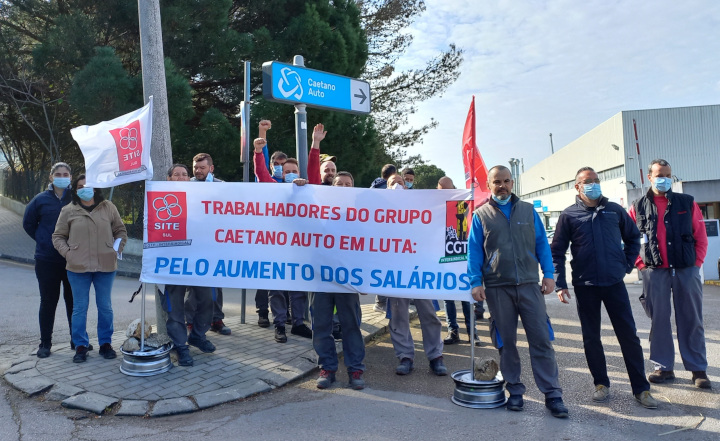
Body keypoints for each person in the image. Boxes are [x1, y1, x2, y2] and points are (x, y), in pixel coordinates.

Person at [552, 167, 658, 408]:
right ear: (577, 187)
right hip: (585, 284)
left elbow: (633, 239)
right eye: (587, 181)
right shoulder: (569, 216)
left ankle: (641, 389)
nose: (593, 184)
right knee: (592, 337)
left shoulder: (615, 210)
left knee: (628, 336)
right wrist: (560, 283)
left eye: (596, 180)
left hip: (613, 283)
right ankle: (601, 383)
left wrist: (626, 264)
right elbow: (556, 251)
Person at [467, 165, 568, 418]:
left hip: (528, 285)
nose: (502, 186)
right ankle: (515, 391)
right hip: (498, 287)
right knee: (506, 343)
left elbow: (542, 244)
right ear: (489, 185)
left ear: (512, 183)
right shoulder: (480, 216)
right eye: (496, 182)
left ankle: (553, 394)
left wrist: (548, 274)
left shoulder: (528, 210)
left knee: (542, 340)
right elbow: (474, 252)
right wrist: (475, 281)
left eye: (506, 181)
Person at [629, 159, 710, 389]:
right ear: (649, 177)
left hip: (686, 269)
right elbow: (630, 240)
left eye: (667, 175)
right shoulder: (638, 206)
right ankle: (663, 367)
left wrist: (696, 263)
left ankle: (698, 369)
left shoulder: (686, 202)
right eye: (659, 174)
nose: (663, 178)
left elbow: (700, 235)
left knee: (692, 319)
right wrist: (641, 265)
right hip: (654, 271)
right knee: (660, 320)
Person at [254, 125, 322, 342]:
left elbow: (314, 174)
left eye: (294, 170)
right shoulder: (272, 186)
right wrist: (257, 153)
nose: (290, 173)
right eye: (286, 170)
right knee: (277, 289)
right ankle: (280, 325)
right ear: (280, 172)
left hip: (300, 246)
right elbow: (261, 173)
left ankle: (299, 323)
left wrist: (315, 144)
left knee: (299, 288)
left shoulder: (308, 187)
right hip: (276, 246)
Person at [52, 174, 127, 363]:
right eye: (80, 186)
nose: (84, 188)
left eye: (88, 185)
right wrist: (68, 253)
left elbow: (120, 230)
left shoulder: (108, 207)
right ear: (75, 189)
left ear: (95, 188)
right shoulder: (68, 210)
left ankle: (105, 344)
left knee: (105, 307)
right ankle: (80, 345)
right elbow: (58, 236)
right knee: (79, 308)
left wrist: (116, 248)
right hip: (77, 267)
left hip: (106, 265)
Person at [384, 175, 448, 377]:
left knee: (428, 314)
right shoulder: (380, 210)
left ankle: (436, 356)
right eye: (392, 183)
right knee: (398, 316)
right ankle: (405, 356)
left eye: (400, 182)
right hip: (394, 271)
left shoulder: (421, 206)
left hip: (420, 270)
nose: (397, 186)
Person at [23, 162, 84, 358]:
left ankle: (76, 341)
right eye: (58, 174)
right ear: (51, 177)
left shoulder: (76, 198)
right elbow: (28, 224)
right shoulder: (40, 200)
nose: (62, 176)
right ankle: (45, 344)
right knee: (48, 301)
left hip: (72, 259)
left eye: (65, 173)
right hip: (46, 260)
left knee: (73, 302)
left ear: (70, 176)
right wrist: (44, 241)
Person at [312, 171, 366, 390]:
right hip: (319, 278)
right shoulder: (316, 211)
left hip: (348, 281)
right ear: (331, 187)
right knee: (321, 326)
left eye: (348, 184)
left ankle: (355, 370)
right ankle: (327, 368)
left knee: (351, 326)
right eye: (339, 184)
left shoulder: (361, 215)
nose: (343, 187)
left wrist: (366, 280)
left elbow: (370, 247)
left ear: (353, 188)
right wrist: (296, 188)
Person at [161, 164, 216, 366]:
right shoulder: (158, 198)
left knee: (209, 299)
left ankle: (198, 335)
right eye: (176, 174)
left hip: (199, 261)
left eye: (185, 174)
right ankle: (181, 347)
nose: (182, 177)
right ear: (169, 179)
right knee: (174, 308)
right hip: (171, 264)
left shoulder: (204, 197)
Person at [186, 152, 231, 335]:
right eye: (196, 167)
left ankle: (216, 319)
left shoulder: (222, 187)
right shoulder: (186, 186)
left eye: (202, 168)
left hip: (214, 244)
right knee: (191, 284)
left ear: (211, 168)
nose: (198, 171)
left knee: (214, 284)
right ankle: (190, 321)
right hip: (192, 243)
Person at [436, 176, 486, 340]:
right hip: (444, 261)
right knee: (448, 299)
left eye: (448, 189)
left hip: (461, 258)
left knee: (466, 298)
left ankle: (472, 332)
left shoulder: (461, 207)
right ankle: (453, 332)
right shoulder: (435, 207)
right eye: (441, 190)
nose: (445, 193)